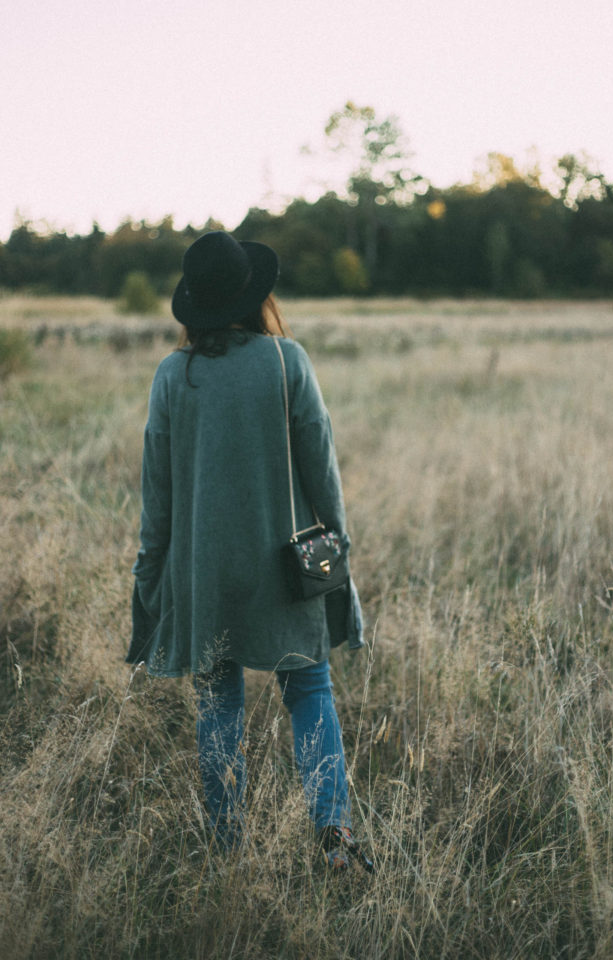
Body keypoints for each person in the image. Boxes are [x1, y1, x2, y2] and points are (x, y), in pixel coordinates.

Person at [126, 231, 372, 872]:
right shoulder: (287, 361)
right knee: (311, 687)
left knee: (218, 703)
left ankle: (226, 847)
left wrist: (149, 582)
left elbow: (158, 500)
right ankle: (334, 841)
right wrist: (338, 556)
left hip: (204, 574)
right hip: (285, 571)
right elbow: (323, 475)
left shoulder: (172, 377)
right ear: (253, 296)